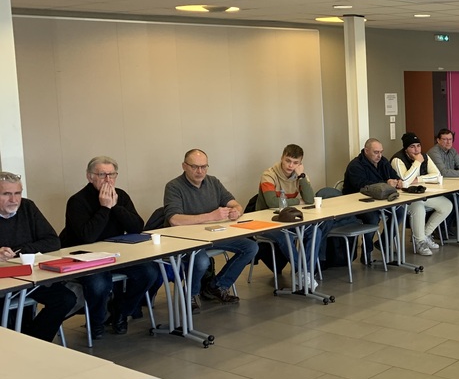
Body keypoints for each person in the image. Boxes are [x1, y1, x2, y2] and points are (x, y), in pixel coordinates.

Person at [60, 156, 161, 336]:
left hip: (117, 253)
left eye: (112, 175)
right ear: (90, 176)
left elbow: (137, 227)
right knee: (99, 283)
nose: (108, 180)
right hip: (85, 256)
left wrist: (115, 207)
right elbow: (88, 236)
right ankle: (97, 322)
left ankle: (120, 312)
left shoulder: (120, 196)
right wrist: (105, 208)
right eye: (102, 175)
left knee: (150, 272)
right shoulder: (77, 201)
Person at [163, 149, 258, 307]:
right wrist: (210, 216)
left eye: (204, 167)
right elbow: (174, 219)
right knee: (202, 261)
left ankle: (217, 286)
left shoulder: (213, 182)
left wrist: (236, 211)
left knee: (251, 247)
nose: (200, 171)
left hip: (213, 235)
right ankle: (191, 294)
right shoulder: (174, 187)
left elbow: (235, 203)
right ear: (184, 166)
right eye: (194, 167)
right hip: (187, 239)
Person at [0, 171, 76, 342]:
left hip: (30, 276)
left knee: (66, 299)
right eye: (6, 194)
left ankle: (33, 342)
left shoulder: (27, 207)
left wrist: (19, 251)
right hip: (3, 280)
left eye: (17, 193)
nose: (14, 200)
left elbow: (52, 241)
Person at [255, 144, 321, 287]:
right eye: (288, 161)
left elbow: (310, 199)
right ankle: (301, 272)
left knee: (316, 231)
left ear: (300, 164)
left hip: (289, 219)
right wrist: (298, 201)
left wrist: (301, 176)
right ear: (282, 158)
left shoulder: (300, 175)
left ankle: (306, 273)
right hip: (267, 222)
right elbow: (272, 202)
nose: (291, 165)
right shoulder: (269, 175)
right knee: (286, 236)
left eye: (295, 162)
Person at [391, 132, 453, 256]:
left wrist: (418, 179)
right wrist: (417, 163)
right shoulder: (397, 160)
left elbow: (437, 175)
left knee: (446, 205)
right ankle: (419, 242)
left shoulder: (424, 156)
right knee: (418, 207)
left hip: (420, 193)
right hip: (404, 199)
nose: (416, 150)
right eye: (412, 146)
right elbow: (404, 181)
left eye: (418, 146)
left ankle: (424, 235)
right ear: (406, 148)